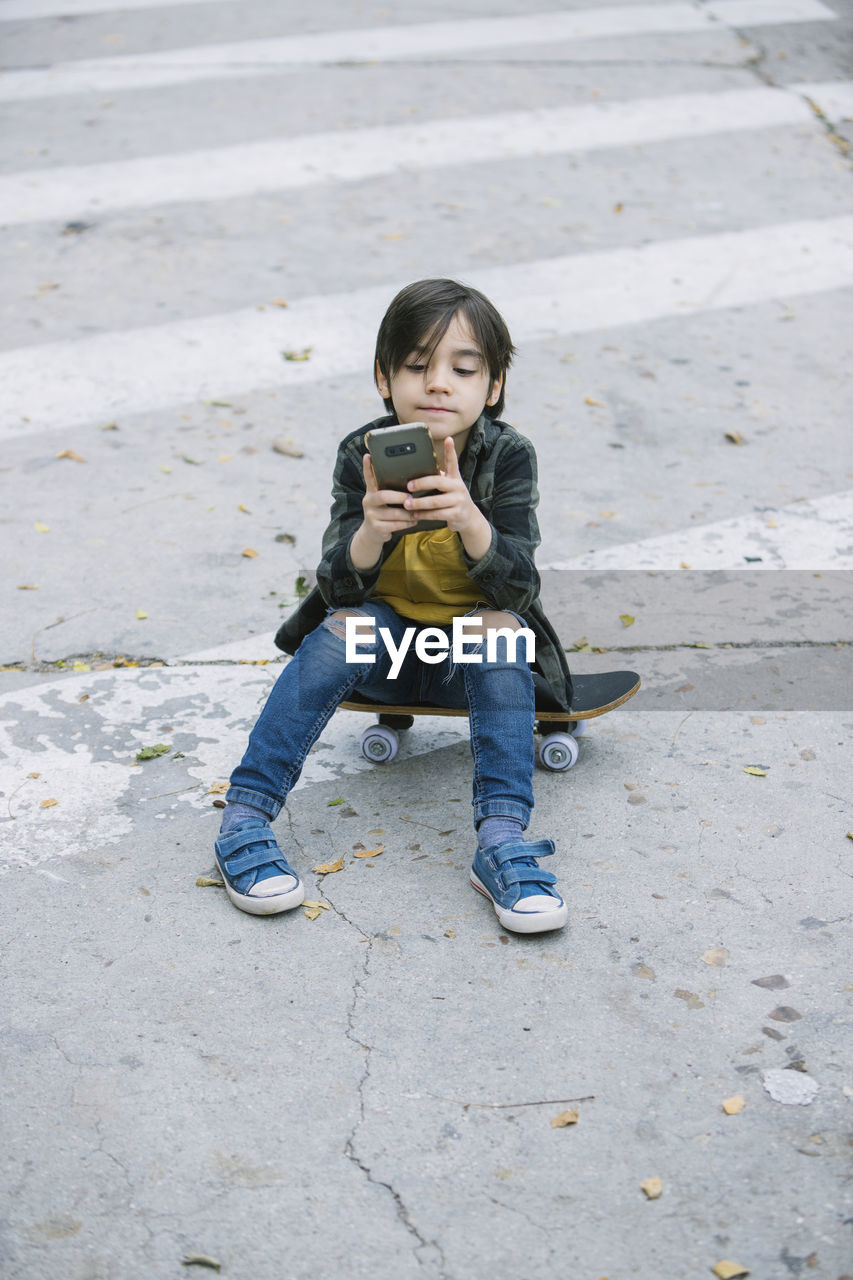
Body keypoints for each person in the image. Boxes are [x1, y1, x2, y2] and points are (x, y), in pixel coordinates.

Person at [215, 278, 573, 934]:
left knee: (497, 631)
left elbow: (519, 591)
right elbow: (337, 585)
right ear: (384, 378)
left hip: (470, 657)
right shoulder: (362, 454)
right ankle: (245, 814)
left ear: (491, 387)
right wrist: (370, 532)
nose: (438, 383)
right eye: (416, 366)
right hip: (387, 660)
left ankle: (500, 840)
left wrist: (469, 519)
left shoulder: (509, 455)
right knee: (341, 629)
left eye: (462, 368)